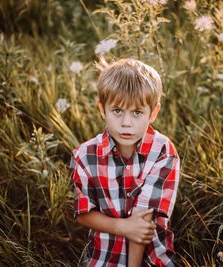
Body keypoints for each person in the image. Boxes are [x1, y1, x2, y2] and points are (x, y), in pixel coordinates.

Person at [70, 57, 180, 267]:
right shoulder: (84, 155)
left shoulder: (163, 151)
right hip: (103, 257)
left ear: (153, 113)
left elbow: (144, 217)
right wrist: (123, 227)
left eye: (137, 112)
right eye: (117, 111)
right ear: (102, 109)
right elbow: (82, 213)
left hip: (152, 256)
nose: (126, 123)